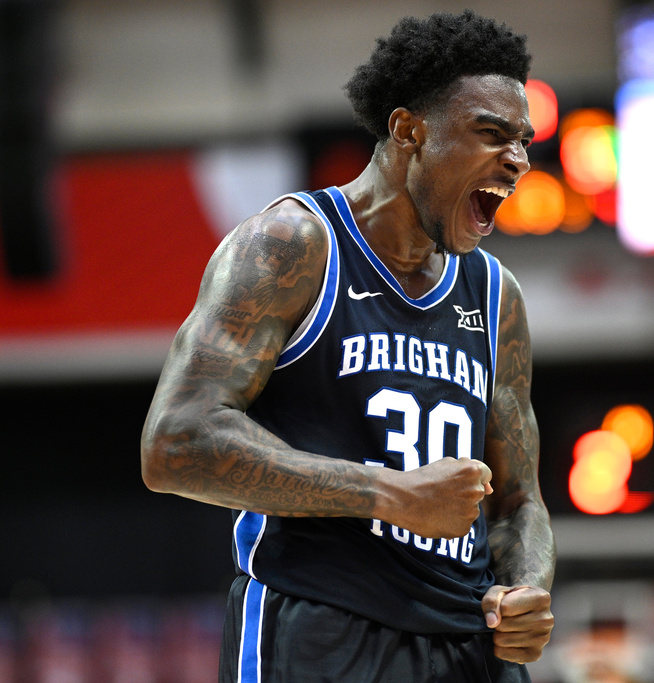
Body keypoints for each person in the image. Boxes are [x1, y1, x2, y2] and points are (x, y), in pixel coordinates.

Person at [140, 10, 555, 682]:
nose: (517, 161)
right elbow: (176, 442)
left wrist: (527, 588)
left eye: (523, 142)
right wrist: (386, 492)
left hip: (466, 643)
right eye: (491, 134)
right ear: (409, 130)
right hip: (321, 626)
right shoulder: (292, 244)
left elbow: (519, 503)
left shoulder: (494, 294)